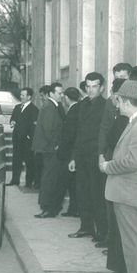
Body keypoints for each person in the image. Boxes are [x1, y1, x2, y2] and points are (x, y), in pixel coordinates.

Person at [99, 80, 137, 273]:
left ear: (127, 101)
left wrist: (109, 166)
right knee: (135, 240)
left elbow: (135, 160)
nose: (116, 105)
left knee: (133, 242)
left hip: (130, 193)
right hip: (130, 192)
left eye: (118, 100)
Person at [68, 72, 107, 241]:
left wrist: (102, 156)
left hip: (96, 157)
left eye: (95, 86)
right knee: (82, 192)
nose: (90, 90)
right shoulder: (82, 105)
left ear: (102, 88)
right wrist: (73, 157)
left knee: (96, 195)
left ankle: (102, 233)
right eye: (88, 87)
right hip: (82, 156)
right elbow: (79, 132)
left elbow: (105, 134)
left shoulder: (106, 106)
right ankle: (86, 227)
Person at [101, 79, 129, 273]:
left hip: (123, 181)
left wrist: (107, 164)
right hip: (124, 181)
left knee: (122, 229)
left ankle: (125, 271)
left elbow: (111, 139)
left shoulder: (124, 119)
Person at [32, 83, 65, 218]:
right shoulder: (50, 107)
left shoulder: (53, 106)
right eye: (59, 93)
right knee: (49, 179)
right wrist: (55, 144)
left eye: (62, 93)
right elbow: (48, 129)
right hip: (50, 149)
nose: (61, 96)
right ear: (51, 94)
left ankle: (50, 207)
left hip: (49, 148)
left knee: (51, 178)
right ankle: (46, 207)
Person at [58, 87, 81, 217]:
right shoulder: (77, 109)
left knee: (70, 183)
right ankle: (73, 209)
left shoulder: (73, 111)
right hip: (73, 152)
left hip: (69, 153)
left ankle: (74, 209)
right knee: (72, 184)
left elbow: (69, 135)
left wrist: (62, 149)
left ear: (67, 98)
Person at [9, 87, 38, 187]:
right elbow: (13, 118)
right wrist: (12, 122)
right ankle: (15, 180)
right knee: (16, 160)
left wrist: (29, 136)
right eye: (21, 95)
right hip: (17, 139)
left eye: (23, 95)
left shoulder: (34, 109)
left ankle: (29, 182)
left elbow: (34, 125)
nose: (21, 97)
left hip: (26, 140)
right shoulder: (17, 107)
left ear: (29, 97)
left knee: (29, 161)